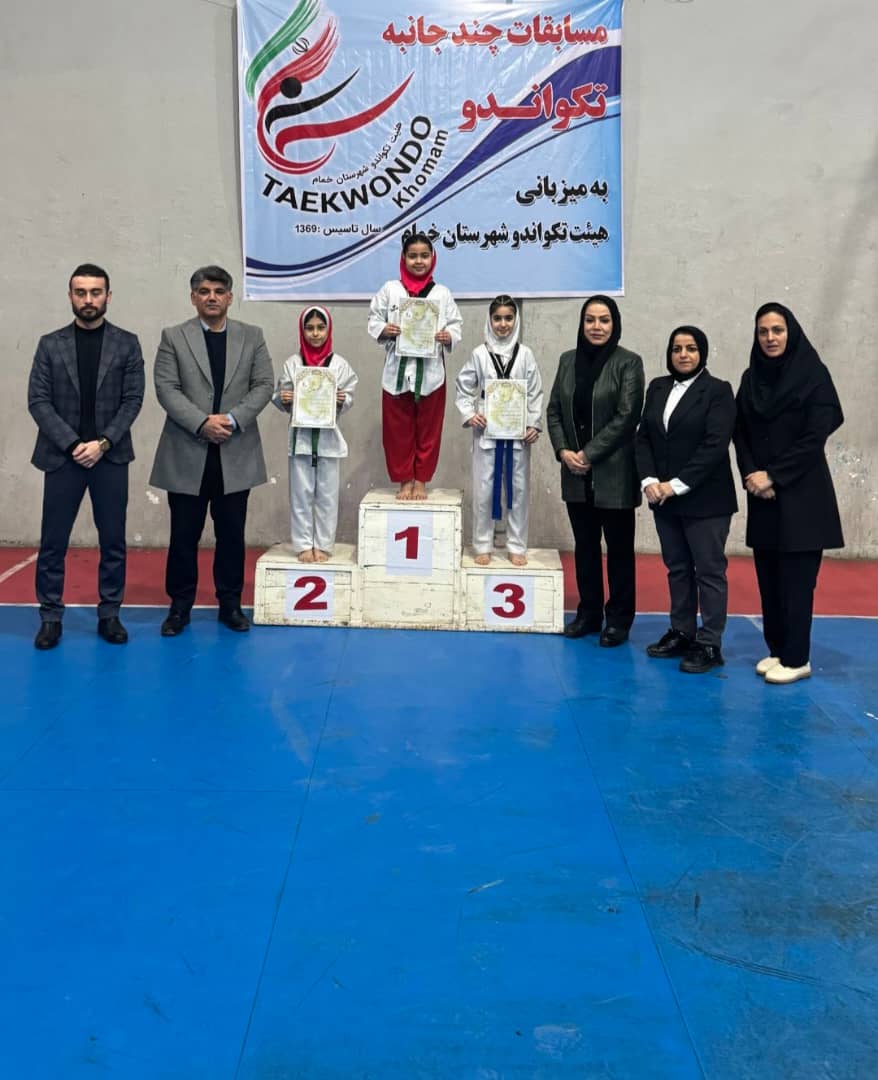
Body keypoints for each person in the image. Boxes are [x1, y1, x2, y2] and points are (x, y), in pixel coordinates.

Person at [149, 265, 274, 635]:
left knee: (232, 535)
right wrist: (202, 422)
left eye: (219, 291)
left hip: (235, 451)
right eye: (204, 291)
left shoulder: (252, 336)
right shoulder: (173, 337)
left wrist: (232, 420)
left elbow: (264, 384)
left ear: (230, 297)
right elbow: (166, 388)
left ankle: (230, 605)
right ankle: (179, 607)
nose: (212, 297)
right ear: (193, 298)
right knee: (183, 536)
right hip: (187, 450)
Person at [27, 263, 145, 649]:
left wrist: (103, 443)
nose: (88, 299)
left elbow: (133, 400)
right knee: (53, 542)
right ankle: (50, 617)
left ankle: (110, 614)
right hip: (62, 458)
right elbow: (38, 401)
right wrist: (73, 444)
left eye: (96, 292)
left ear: (108, 296)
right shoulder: (50, 344)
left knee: (113, 542)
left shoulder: (127, 343)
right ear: (70, 296)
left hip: (109, 458)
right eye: (81, 292)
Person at [734, 302, 844, 684]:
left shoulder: (813, 375)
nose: (770, 338)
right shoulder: (751, 378)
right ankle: (778, 648)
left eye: (777, 330)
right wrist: (751, 474)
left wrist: (774, 476)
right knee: (769, 579)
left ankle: (798, 658)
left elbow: (815, 436)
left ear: (790, 332)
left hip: (802, 496)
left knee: (797, 582)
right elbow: (740, 432)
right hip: (762, 495)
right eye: (763, 331)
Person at [635, 326, 737, 673]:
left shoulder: (718, 391)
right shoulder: (657, 387)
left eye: (691, 348)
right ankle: (681, 631)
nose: (683, 354)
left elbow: (714, 445)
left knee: (708, 571)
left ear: (702, 353)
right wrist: (650, 480)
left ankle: (709, 643)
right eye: (677, 348)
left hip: (706, 501)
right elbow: (644, 437)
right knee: (677, 568)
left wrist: (675, 485)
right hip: (663, 498)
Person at [547, 295, 644, 646]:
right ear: (582, 323)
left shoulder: (628, 362)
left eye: (604, 320)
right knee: (585, 547)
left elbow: (627, 416)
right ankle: (589, 613)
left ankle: (619, 619)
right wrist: (563, 451)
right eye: (590, 320)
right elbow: (554, 410)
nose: (597, 327)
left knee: (618, 551)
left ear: (614, 324)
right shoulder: (567, 360)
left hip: (614, 475)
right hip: (575, 474)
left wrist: (588, 453)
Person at [368, 230, 462, 500]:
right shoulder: (390, 290)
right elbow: (373, 318)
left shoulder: (442, 293)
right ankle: (404, 480)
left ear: (433, 258)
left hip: (431, 373)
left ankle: (420, 480)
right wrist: (384, 329)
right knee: (397, 430)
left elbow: (456, 324)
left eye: (424, 256)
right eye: (412, 256)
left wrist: (448, 336)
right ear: (403, 258)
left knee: (429, 430)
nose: (418, 261)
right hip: (396, 372)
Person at [454, 295, 542, 566]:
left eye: (508, 318)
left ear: (516, 320)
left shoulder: (525, 354)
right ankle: (483, 544)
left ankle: (517, 544)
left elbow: (535, 392)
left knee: (518, 490)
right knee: (483, 490)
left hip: (517, 434)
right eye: (497, 318)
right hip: (487, 433)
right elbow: (463, 387)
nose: (503, 324)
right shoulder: (479, 354)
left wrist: (533, 424)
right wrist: (471, 414)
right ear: (489, 320)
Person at [272, 306, 358, 562]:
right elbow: (280, 395)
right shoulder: (293, 364)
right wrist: (284, 398)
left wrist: (343, 399)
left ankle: (323, 544)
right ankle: (302, 544)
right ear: (302, 331)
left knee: (328, 496)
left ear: (329, 330)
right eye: (309, 328)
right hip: (300, 438)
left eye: (321, 328)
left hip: (329, 439)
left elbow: (349, 394)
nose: (315, 333)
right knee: (301, 494)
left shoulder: (339, 364)